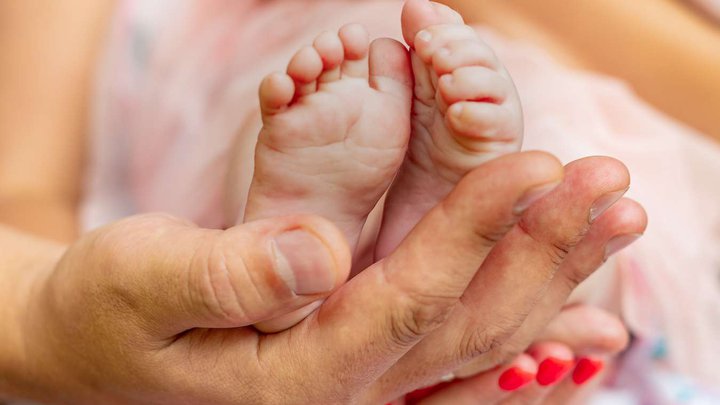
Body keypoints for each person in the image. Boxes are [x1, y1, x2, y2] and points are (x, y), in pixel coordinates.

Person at [0, 0, 648, 404]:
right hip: (224, 84)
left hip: (535, 80)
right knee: (317, 87)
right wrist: (58, 330)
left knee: (552, 152)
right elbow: (23, 195)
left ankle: (363, 235)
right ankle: (371, 228)